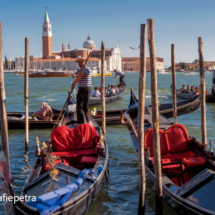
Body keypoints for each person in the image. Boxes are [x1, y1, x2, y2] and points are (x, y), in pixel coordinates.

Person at [71, 57, 91, 124]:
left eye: (80, 62)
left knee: (84, 107)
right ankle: (80, 123)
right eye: (78, 62)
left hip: (86, 89)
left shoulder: (87, 69)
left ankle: (88, 122)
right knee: (78, 107)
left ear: (83, 62)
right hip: (80, 89)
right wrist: (73, 75)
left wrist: (74, 82)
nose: (79, 63)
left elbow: (81, 76)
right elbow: (76, 74)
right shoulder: (79, 70)